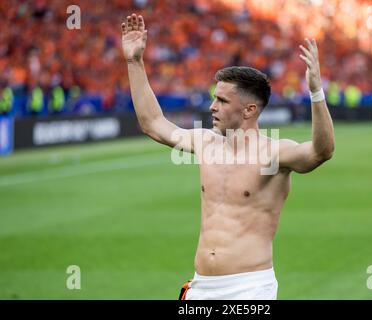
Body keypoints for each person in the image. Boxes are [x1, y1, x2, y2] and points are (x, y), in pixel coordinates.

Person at [121, 13, 335, 300]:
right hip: (201, 287)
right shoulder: (205, 142)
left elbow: (321, 151)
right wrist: (134, 63)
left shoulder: (273, 153)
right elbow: (154, 124)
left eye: (222, 101)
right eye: (214, 98)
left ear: (249, 110)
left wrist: (315, 92)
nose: (212, 107)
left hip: (249, 288)